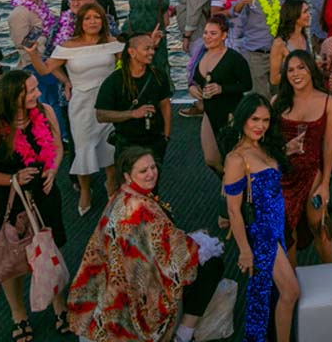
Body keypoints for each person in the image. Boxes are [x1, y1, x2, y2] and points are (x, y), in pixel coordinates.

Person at [68, 147, 225, 342]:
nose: (151, 173)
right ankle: (184, 334)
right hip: (138, 295)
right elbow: (175, 256)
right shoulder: (141, 208)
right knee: (213, 264)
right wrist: (197, 244)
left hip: (112, 288)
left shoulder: (120, 197)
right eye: (143, 171)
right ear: (127, 175)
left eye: (153, 167)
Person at [0, 70, 68, 339]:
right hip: (8, 202)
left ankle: (60, 306)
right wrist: (13, 178)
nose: (38, 94)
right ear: (13, 95)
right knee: (12, 259)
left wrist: (53, 169)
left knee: (51, 252)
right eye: (31, 90)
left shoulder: (46, 112)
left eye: (36, 88)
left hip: (44, 195)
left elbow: (58, 147)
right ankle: (18, 314)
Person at [24, 2, 122, 215]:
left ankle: (111, 185)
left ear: (103, 21)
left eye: (97, 17)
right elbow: (44, 69)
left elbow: (130, 64)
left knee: (110, 146)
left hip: (107, 102)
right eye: (88, 18)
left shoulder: (112, 43)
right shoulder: (67, 46)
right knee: (83, 146)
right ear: (81, 22)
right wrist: (33, 54)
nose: (93, 21)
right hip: (81, 104)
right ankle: (85, 190)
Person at [222, 95, 298, 342]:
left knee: (271, 293)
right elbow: (234, 210)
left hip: (277, 226)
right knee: (289, 291)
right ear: (243, 118)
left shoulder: (264, 145)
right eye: (255, 119)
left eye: (265, 120)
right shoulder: (236, 159)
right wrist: (244, 250)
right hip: (263, 233)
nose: (260, 125)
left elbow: (269, 168)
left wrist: (290, 148)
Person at [274, 51, 332, 265]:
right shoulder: (278, 102)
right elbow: (266, 144)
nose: (296, 74)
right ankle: (292, 285)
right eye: (290, 70)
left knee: (319, 225)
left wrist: (326, 183)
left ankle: (331, 275)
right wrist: (283, 147)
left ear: (310, 69)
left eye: (301, 67)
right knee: (286, 232)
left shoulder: (328, 102)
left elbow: (328, 145)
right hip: (282, 176)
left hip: (312, 174)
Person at [95, 34, 172, 165]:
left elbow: (165, 105)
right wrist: (132, 114)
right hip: (127, 142)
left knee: (152, 180)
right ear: (132, 52)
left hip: (155, 140)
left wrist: (166, 135)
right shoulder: (115, 81)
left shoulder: (158, 76)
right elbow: (101, 115)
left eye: (153, 48)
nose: (151, 52)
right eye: (147, 49)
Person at [190, 17, 252, 173]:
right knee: (211, 158)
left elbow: (247, 85)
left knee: (233, 155)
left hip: (230, 111)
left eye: (213, 33)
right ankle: (227, 183)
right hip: (209, 112)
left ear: (224, 35)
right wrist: (192, 88)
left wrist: (221, 88)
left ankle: (238, 190)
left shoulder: (233, 58)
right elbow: (194, 80)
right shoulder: (200, 55)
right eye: (205, 33)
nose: (207, 37)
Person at [8, 0, 65, 130]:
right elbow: (21, 43)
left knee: (58, 98)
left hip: (51, 59)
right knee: (49, 101)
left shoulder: (40, 6)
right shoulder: (20, 13)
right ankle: (57, 134)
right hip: (35, 63)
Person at [125, 0, 173, 84]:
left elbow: (164, 11)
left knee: (160, 65)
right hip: (139, 33)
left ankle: (163, 98)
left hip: (158, 34)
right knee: (141, 66)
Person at [232, 0, 281, 97]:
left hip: (276, 53)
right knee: (261, 94)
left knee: (279, 93)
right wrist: (240, 4)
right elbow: (234, 14)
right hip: (256, 54)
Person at [269, 0, 311, 88]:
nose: (308, 15)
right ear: (294, 15)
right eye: (305, 12)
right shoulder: (280, 43)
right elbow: (274, 79)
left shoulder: (304, 37)